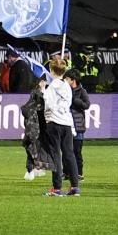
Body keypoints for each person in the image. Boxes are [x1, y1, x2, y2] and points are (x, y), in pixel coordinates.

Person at [41, 56, 80, 196]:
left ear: (51, 70)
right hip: (67, 124)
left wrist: (43, 91)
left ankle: (57, 188)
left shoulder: (51, 87)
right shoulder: (67, 87)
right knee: (69, 154)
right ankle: (75, 187)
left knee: (56, 154)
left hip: (54, 123)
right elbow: (67, 104)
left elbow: (49, 105)